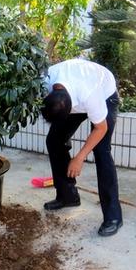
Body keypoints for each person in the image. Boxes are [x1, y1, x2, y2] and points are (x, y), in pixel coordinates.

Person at [41, 59, 122, 237]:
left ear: (72, 108)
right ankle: (67, 196)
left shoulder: (89, 95)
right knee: (54, 140)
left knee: (101, 150)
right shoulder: (47, 80)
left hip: (105, 94)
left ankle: (113, 217)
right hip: (74, 94)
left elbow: (101, 128)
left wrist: (79, 158)